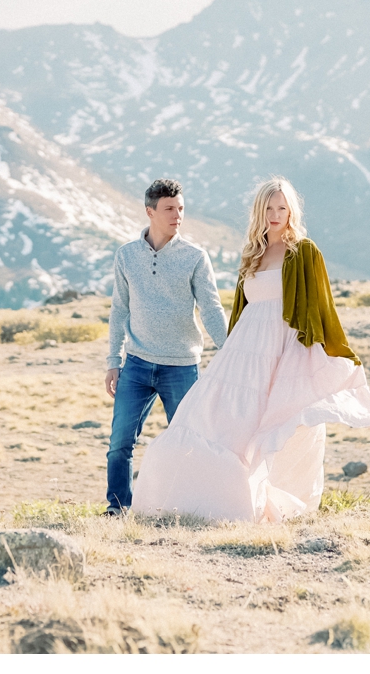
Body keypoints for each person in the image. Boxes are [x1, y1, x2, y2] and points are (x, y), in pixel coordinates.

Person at [130, 176, 370, 522]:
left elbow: (321, 309)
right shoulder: (254, 252)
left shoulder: (304, 252)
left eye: (282, 208)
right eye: (268, 207)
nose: (275, 214)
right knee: (215, 420)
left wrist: (334, 355)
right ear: (259, 211)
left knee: (271, 428)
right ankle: (206, 503)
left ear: (291, 211)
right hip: (244, 353)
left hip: (283, 353)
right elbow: (241, 310)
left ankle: (262, 503)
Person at [104, 178, 227, 514]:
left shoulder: (195, 257)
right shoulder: (126, 256)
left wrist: (230, 350)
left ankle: (193, 507)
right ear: (150, 211)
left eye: (181, 209)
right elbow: (119, 310)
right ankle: (117, 508)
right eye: (170, 209)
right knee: (120, 444)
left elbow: (212, 308)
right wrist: (113, 361)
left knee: (190, 442)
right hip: (137, 364)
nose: (178, 215)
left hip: (181, 366)